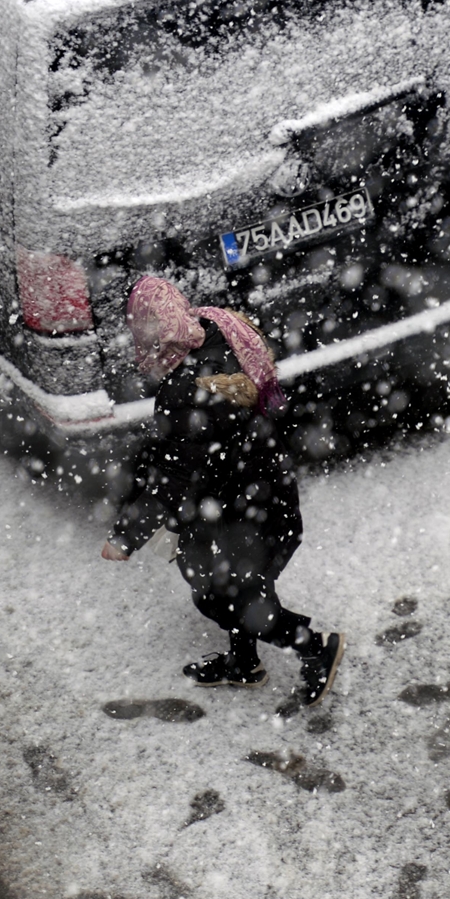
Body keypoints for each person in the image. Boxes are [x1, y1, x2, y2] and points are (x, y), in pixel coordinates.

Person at [100, 276, 344, 706]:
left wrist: (126, 536)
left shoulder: (183, 393)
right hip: (258, 491)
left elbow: (174, 479)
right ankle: (244, 663)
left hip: (236, 507)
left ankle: (316, 648)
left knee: (223, 597)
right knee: (239, 586)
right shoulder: (215, 326)